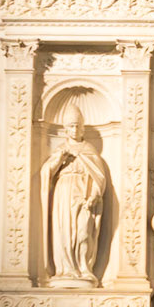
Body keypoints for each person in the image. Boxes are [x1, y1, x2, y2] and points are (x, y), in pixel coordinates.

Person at [41, 100, 109, 284]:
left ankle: (83, 267)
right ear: (65, 129)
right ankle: (65, 270)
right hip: (64, 193)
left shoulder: (89, 150)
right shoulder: (61, 149)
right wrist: (60, 159)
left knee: (83, 231)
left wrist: (94, 194)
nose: (75, 129)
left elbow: (99, 176)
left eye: (78, 126)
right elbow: (47, 172)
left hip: (83, 194)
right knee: (64, 231)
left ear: (82, 128)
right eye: (71, 126)